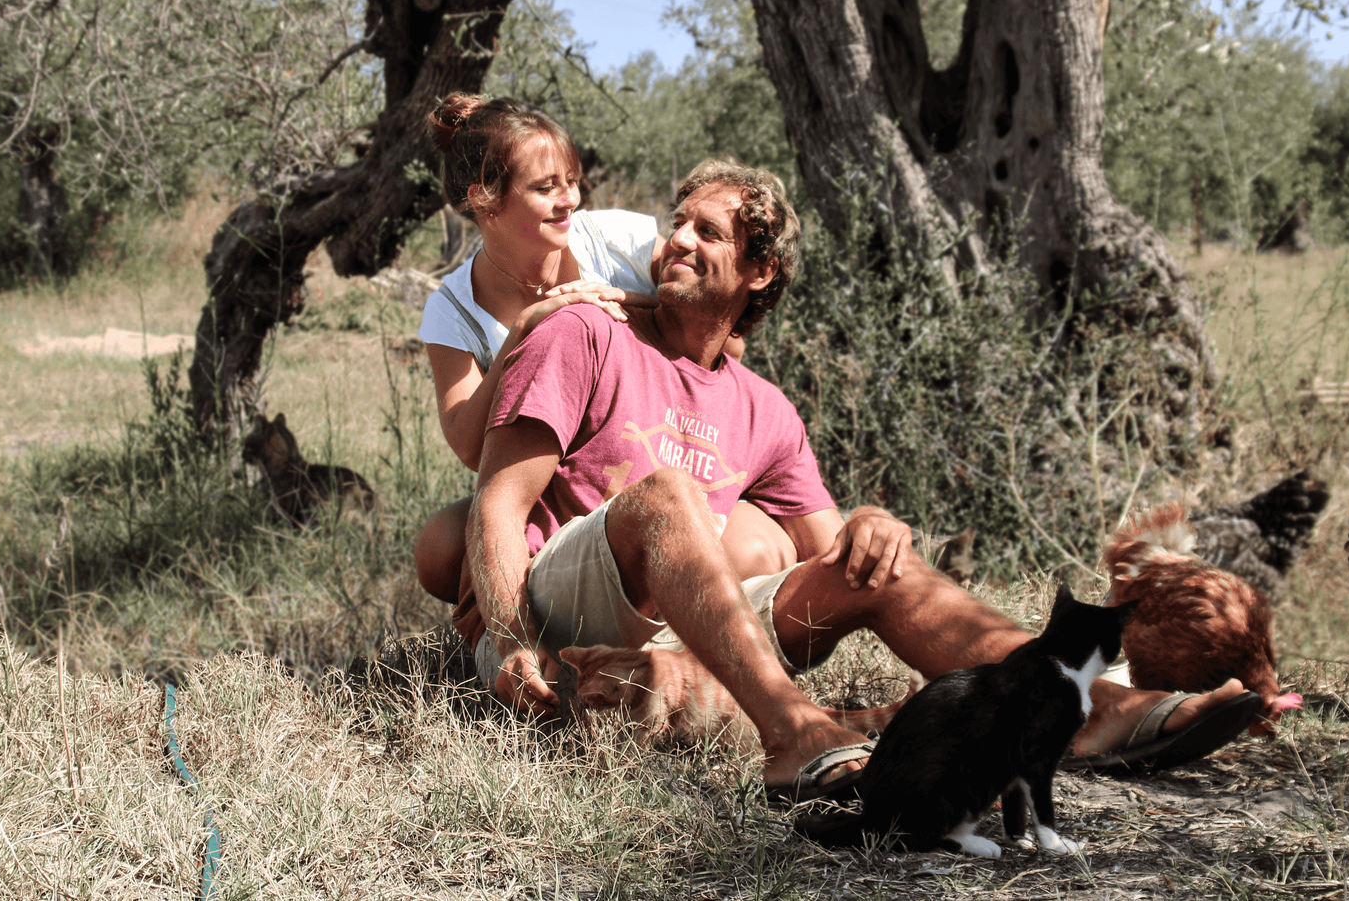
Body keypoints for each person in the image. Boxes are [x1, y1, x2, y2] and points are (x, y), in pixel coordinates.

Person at [465, 157, 1261, 796]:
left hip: (690, 621)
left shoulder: (764, 408)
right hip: (561, 604)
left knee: (878, 559)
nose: (676, 240)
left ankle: (1087, 706)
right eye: (677, 224)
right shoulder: (586, 330)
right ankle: (793, 733)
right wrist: (508, 637)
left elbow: (835, 557)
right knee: (669, 492)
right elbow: (498, 501)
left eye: (705, 230)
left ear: (761, 271)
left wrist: (874, 524)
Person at [413, 96, 796, 640]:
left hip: (655, 446)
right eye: (545, 188)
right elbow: (471, 447)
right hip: (543, 472)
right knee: (441, 547)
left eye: (571, 181)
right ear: (483, 198)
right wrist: (526, 330)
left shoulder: (618, 240)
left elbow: (722, 330)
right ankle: (528, 618)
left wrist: (618, 299)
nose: (569, 200)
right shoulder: (451, 310)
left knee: (758, 546)